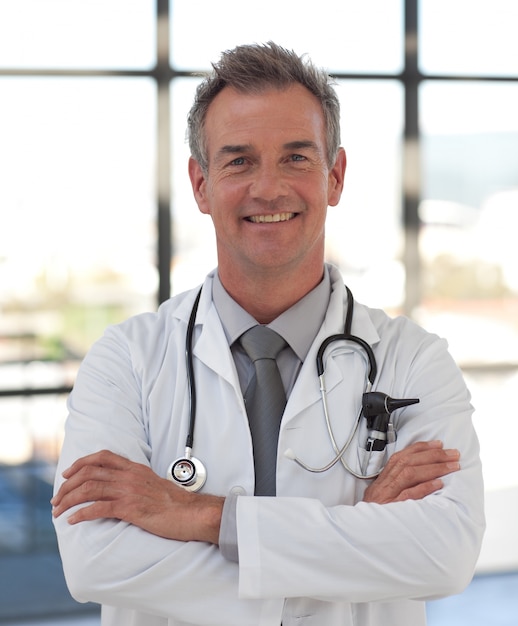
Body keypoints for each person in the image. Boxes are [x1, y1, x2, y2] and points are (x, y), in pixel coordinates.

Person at [52, 42, 485, 626]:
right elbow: (97, 561)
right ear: (201, 184)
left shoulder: (415, 361)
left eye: (296, 158)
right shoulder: (125, 360)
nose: (269, 188)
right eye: (238, 161)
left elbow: (443, 552)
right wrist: (353, 553)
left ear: (334, 176)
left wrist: (202, 517)